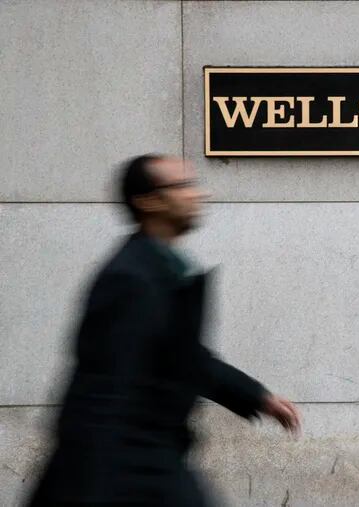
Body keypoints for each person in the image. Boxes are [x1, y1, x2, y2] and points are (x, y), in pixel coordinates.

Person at [27, 155, 301, 506]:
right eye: (183, 186)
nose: (199, 194)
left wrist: (256, 396)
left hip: (148, 459)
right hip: (124, 465)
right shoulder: (129, 279)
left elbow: (185, 358)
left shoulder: (161, 269)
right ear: (149, 201)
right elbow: (104, 390)